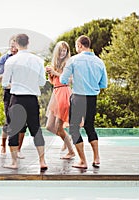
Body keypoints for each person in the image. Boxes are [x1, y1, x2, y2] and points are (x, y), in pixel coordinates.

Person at [60, 35, 108, 169]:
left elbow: (63, 80)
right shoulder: (99, 62)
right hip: (92, 98)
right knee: (90, 127)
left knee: (74, 129)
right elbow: (103, 84)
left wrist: (73, 79)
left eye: (76, 46)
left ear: (80, 45)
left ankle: (82, 161)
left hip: (78, 97)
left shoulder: (73, 60)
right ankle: (96, 158)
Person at [2, 34, 48, 171]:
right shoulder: (38, 60)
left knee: (14, 131)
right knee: (36, 130)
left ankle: (14, 162)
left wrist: (16, 83)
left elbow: (5, 83)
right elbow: (42, 82)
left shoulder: (11, 61)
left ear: (15, 43)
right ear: (28, 43)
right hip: (32, 99)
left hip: (17, 99)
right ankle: (42, 161)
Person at [0, 36, 26, 158]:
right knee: (9, 121)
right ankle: (3, 145)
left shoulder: (23, 58)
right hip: (9, 92)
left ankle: (18, 149)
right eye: (11, 46)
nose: (13, 48)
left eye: (15, 46)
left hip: (22, 92)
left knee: (23, 122)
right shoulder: (4, 58)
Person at [45, 41, 75, 159]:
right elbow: (54, 82)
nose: (63, 53)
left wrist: (55, 73)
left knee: (58, 126)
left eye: (65, 51)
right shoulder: (54, 64)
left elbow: (69, 80)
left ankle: (71, 151)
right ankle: (67, 138)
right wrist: (50, 74)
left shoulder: (69, 63)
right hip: (56, 92)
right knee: (49, 126)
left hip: (64, 92)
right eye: (61, 50)